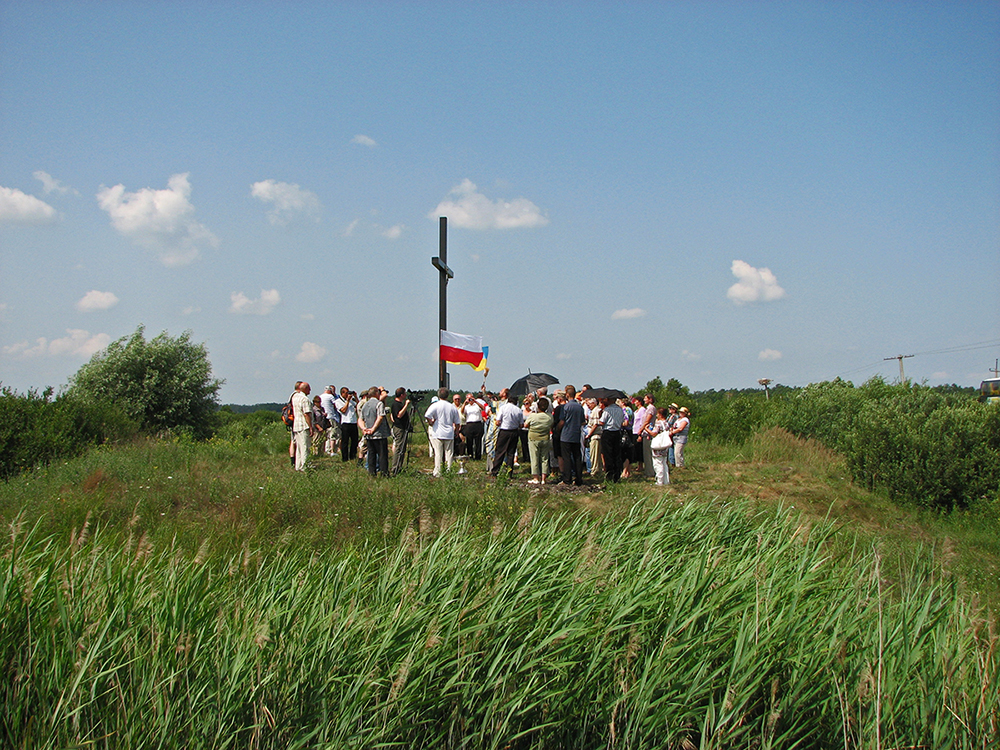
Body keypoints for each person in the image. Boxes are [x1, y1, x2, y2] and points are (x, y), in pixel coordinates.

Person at [424, 387, 461, 476]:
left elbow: (427, 415)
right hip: (449, 433)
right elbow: (457, 422)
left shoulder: (435, 405)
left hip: (438, 432)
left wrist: (431, 423)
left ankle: (438, 471)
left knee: (438, 453)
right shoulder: (452, 407)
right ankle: (449, 471)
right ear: (448, 396)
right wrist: (456, 431)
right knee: (449, 453)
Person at [556, 384, 585, 486]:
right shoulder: (580, 407)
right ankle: (579, 478)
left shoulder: (566, 407)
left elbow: (562, 421)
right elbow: (583, 421)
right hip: (576, 434)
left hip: (566, 434)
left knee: (566, 457)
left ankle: (567, 479)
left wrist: (557, 429)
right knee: (577, 456)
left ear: (567, 394)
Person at [358, 386, 390, 477]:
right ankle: (384, 473)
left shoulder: (365, 405)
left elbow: (360, 419)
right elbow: (380, 417)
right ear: (376, 393)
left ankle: (372, 473)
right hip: (379, 434)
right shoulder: (379, 404)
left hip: (368, 435)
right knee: (382, 455)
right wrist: (373, 429)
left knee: (371, 454)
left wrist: (364, 428)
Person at [490, 388, 523, 477]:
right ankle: (509, 472)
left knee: (500, 451)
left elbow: (497, 421)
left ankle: (495, 471)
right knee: (511, 453)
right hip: (514, 432)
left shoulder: (503, 408)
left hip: (504, 431)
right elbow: (521, 425)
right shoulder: (519, 410)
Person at [524, 396, 554, 484]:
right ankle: (544, 478)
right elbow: (551, 425)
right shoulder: (550, 416)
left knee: (535, 458)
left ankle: (536, 477)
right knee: (545, 458)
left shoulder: (533, 416)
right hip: (545, 438)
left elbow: (525, 425)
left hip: (533, 438)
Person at [595, 396, 625, 483]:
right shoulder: (620, 410)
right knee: (616, 454)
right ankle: (617, 474)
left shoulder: (607, 410)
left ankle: (609, 474)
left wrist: (597, 420)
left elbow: (602, 422)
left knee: (608, 454)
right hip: (617, 432)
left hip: (608, 432)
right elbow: (622, 420)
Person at [644, 407, 671, 485]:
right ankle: (666, 480)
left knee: (657, 463)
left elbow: (654, 433)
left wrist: (647, 429)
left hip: (658, 444)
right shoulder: (666, 423)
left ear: (660, 414)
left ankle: (660, 480)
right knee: (664, 462)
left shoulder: (659, 423)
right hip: (664, 444)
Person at [390, 387, 412, 476]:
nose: (406, 395)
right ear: (402, 395)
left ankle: (399, 467)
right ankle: (395, 468)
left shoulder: (398, 404)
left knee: (402, 448)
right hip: (399, 428)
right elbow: (399, 415)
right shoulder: (396, 404)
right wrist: (406, 405)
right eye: (405, 393)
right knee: (399, 448)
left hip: (402, 428)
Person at [291, 381, 312, 471]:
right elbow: (306, 414)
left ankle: (298, 466)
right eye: (309, 388)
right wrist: (310, 426)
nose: (310, 390)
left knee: (299, 447)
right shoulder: (305, 399)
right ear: (305, 389)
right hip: (304, 425)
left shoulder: (295, 397)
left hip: (296, 425)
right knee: (305, 447)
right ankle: (305, 466)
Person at [336, 387, 359, 462]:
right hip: (345, 423)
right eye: (346, 393)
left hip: (353, 422)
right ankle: (345, 458)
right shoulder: (338, 401)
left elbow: (358, 406)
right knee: (345, 441)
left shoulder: (352, 401)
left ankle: (353, 456)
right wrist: (347, 401)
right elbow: (343, 410)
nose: (348, 394)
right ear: (342, 393)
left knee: (355, 441)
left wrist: (355, 397)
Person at [461, 393, 485, 460]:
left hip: (478, 423)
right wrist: (465, 402)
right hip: (469, 424)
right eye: (469, 398)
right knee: (469, 441)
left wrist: (476, 401)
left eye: (471, 398)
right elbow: (462, 411)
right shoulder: (467, 406)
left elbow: (483, 408)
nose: (470, 399)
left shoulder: (477, 405)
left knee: (478, 441)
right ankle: (470, 455)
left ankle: (478, 456)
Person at [639, 394, 657, 479]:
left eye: (645, 398)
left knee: (647, 453)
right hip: (646, 432)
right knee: (646, 453)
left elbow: (647, 421)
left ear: (650, 399)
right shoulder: (648, 408)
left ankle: (650, 472)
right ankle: (648, 470)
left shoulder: (651, 408)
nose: (644, 399)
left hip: (648, 433)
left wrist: (641, 429)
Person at [319, 385, 340, 456]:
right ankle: (332, 450)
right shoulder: (330, 397)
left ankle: (326, 449)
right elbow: (336, 405)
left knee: (326, 434)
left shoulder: (320, 396)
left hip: (323, 418)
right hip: (331, 416)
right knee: (333, 434)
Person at [585, 398, 603, 478]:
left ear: (593, 403)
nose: (588, 406)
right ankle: (597, 470)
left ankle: (595, 471)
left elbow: (595, 424)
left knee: (594, 455)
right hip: (594, 435)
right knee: (595, 454)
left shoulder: (596, 411)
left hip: (595, 436)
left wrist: (589, 434)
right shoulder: (595, 410)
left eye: (589, 404)